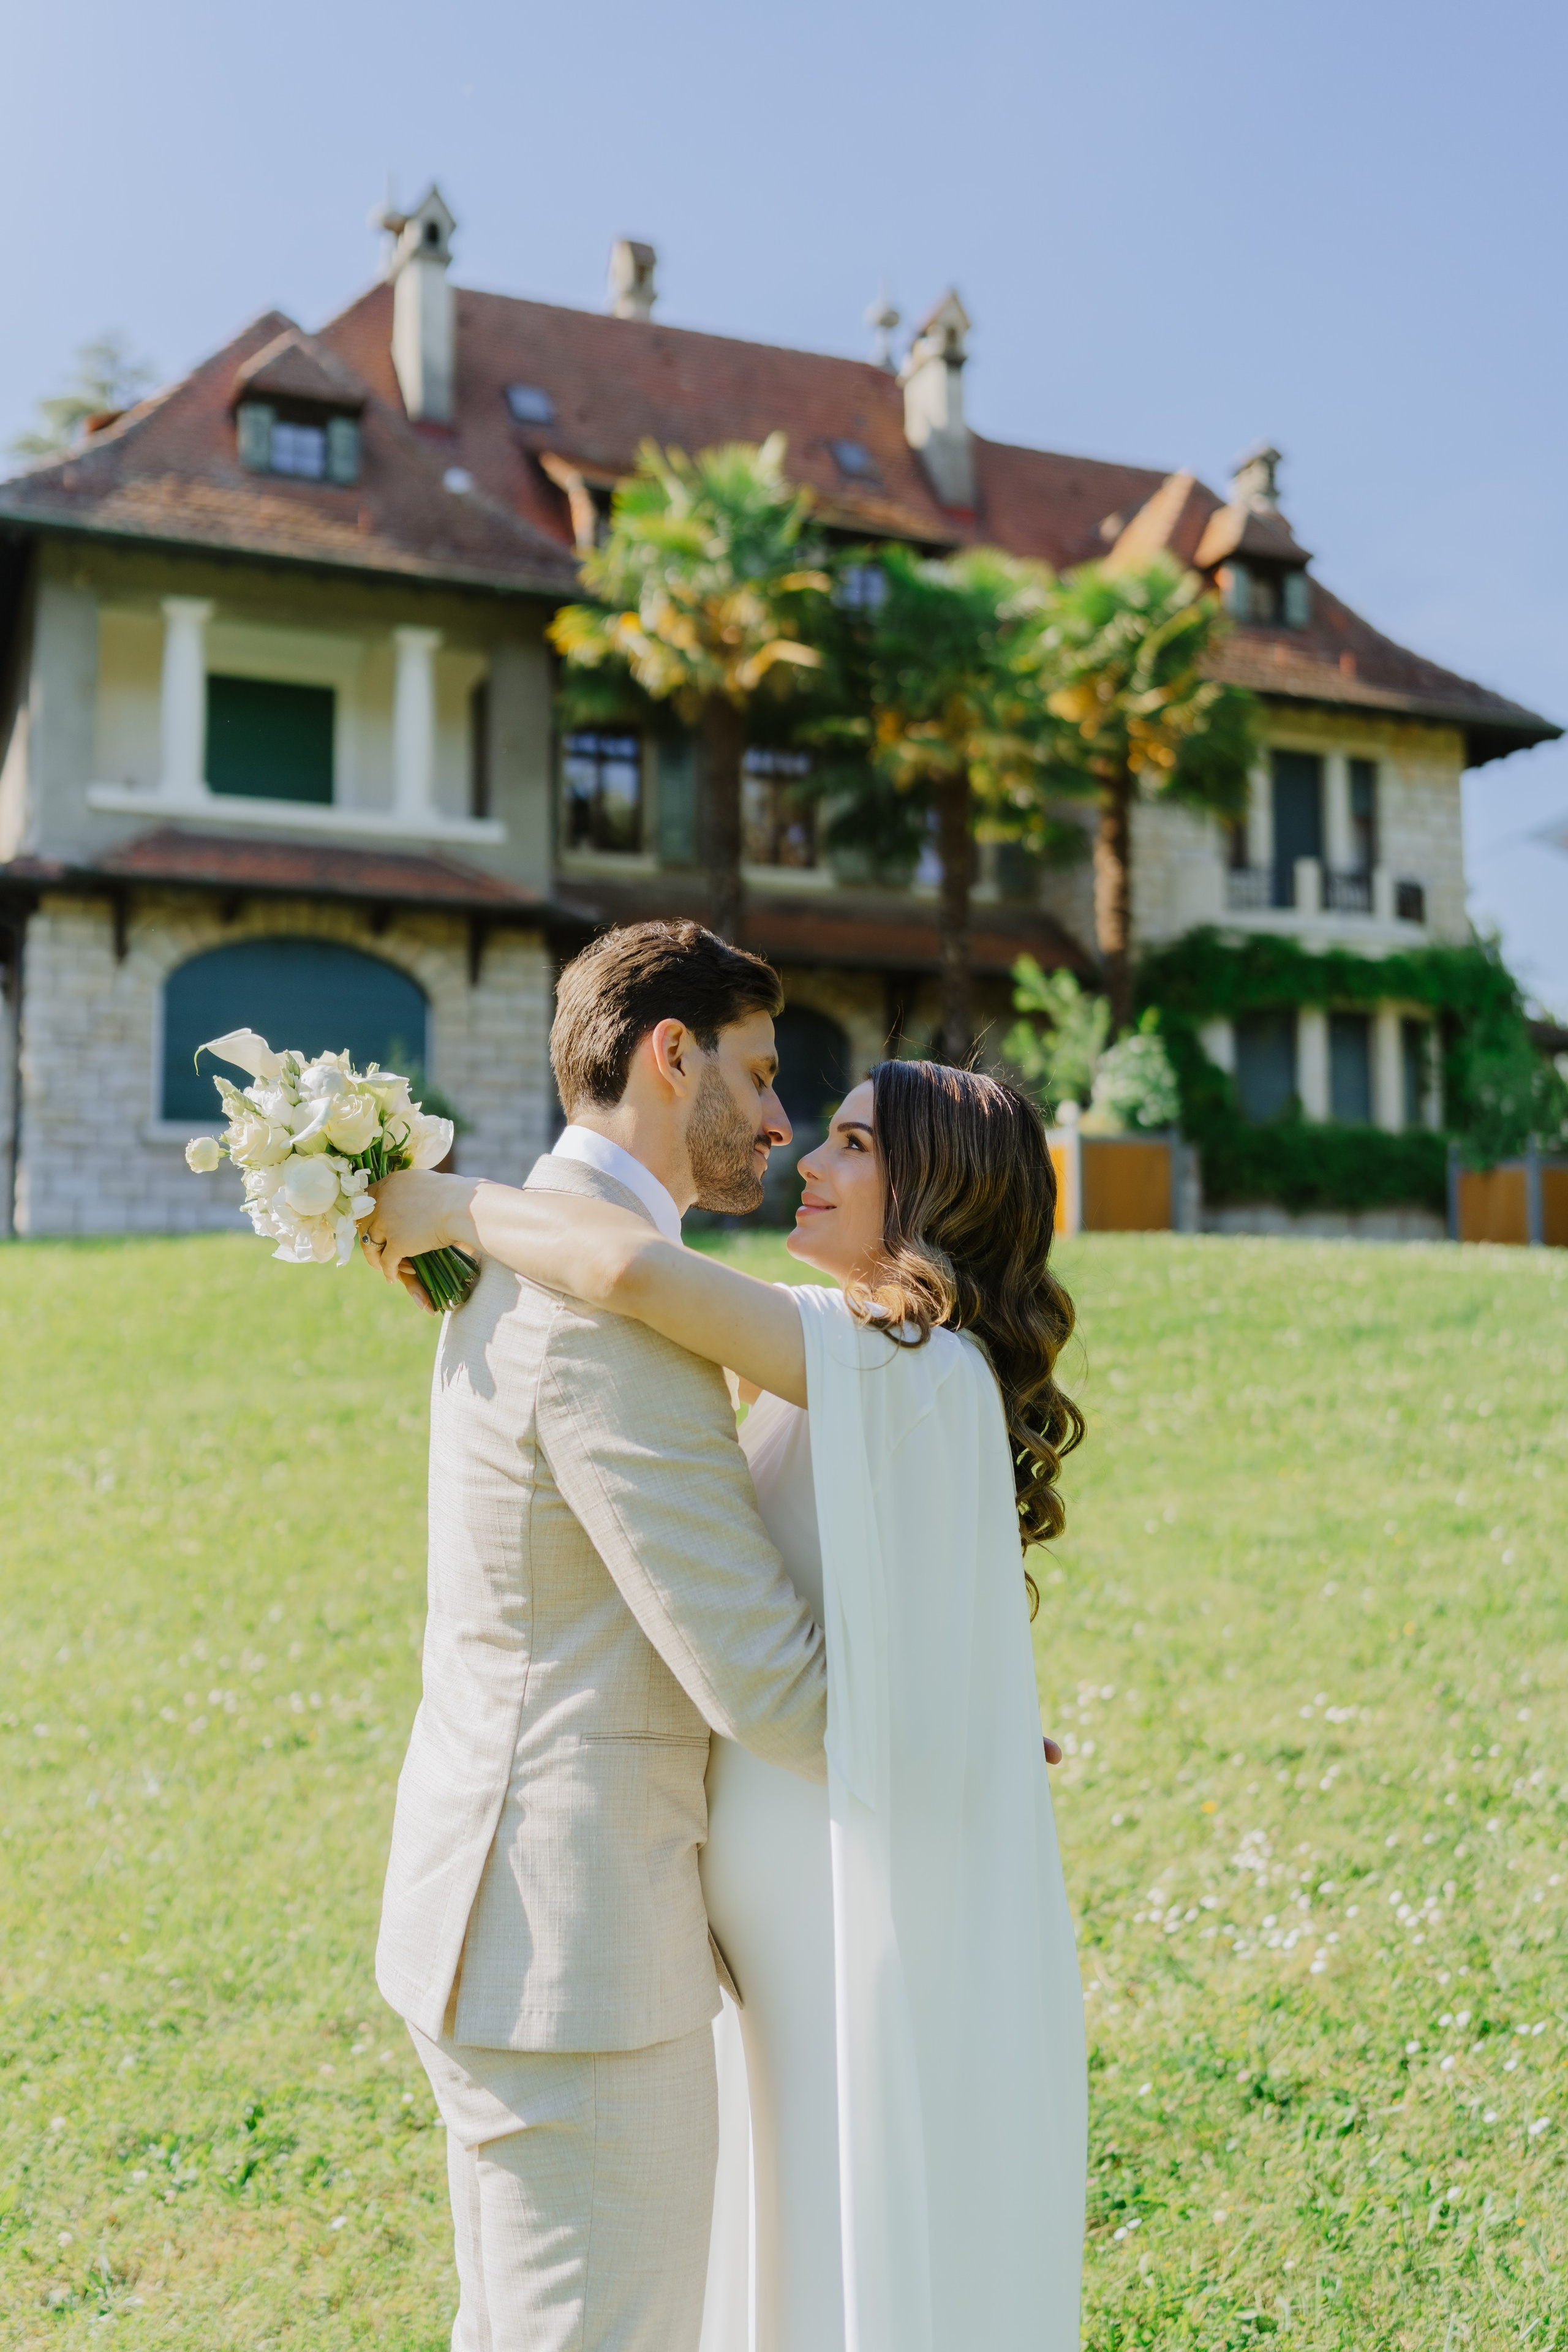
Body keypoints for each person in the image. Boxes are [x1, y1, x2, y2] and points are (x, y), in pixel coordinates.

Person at [368, 1041, 1088, 2352]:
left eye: (857, 1145)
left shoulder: (899, 1360)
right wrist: (968, 1711)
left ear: (938, 1191)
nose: (807, 1157)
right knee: (789, 2222)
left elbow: (636, 1270)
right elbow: (886, 1593)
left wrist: (449, 1205)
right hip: (788, 1902)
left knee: (843, 2226)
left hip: (848, 1910)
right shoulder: (858, 1373)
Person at [365, 920, 831, 2352]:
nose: (779, 1120)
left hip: (510, 1919)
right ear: (667, 1052)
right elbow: (764, 1681)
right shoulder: (600, 1302)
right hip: (566, 1958)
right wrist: (967, 1721)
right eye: (756, 1074)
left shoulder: (534, 1250)